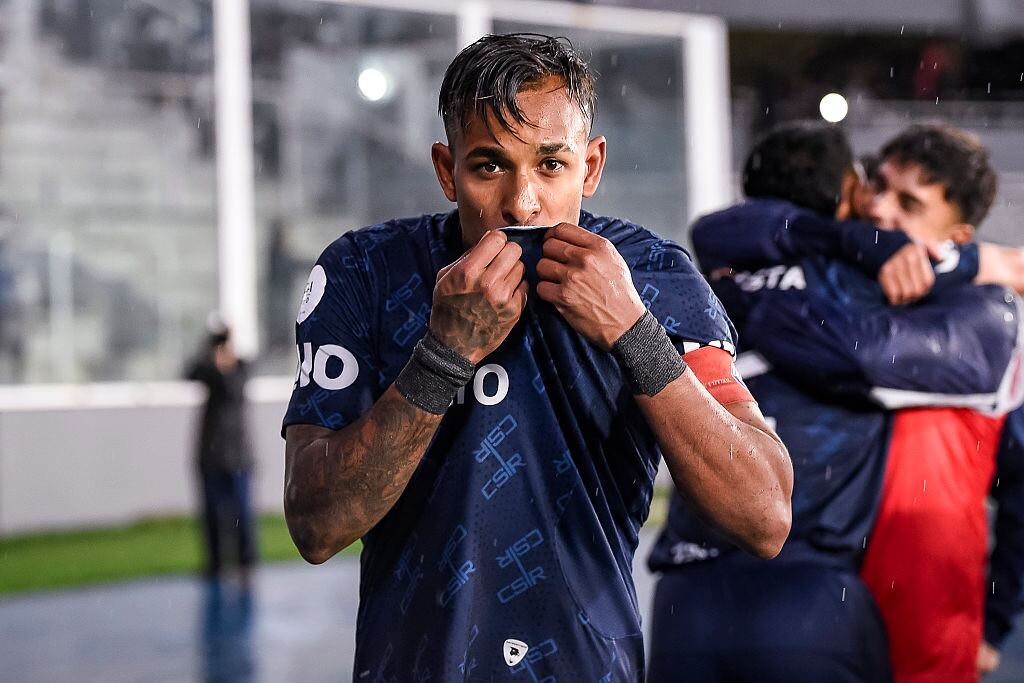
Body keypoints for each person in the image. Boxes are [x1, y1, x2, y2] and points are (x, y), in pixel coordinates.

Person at [281, 34, 793, 679]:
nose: (522, 203)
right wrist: (444, 354)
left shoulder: (656, 277)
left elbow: (765, 515)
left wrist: (635, 334)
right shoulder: (366, 271)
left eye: (551, 164)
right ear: (447, 170)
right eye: (489, 166)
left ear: (593, 164)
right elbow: (316, 524)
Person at [647, 122, 1024, 682]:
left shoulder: (980, 318)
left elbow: (863, 356)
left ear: (957, 235)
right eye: (878, 186)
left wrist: (994, 622)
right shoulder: (834, 272)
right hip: (799, 594)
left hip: (916, 613)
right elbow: (718, 229)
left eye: (908, 204)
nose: (878, 210)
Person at [186, 317, 258, 584]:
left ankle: (245, 564)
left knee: (242, 514)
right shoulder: (207, 368)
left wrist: (224, 364)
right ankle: (215, 565)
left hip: (238, 454)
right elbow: (189, 372)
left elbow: (233, 387)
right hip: (211, 456)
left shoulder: (241, 367)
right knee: (211, 514)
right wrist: (210, 355)